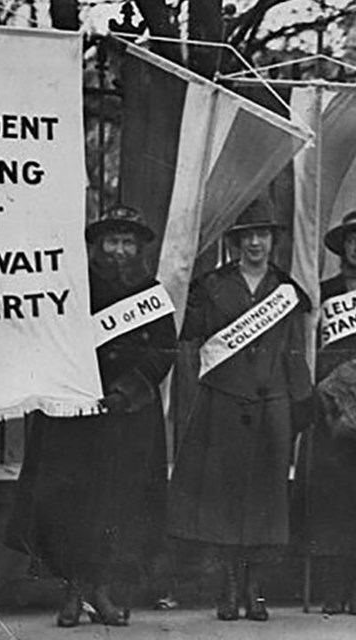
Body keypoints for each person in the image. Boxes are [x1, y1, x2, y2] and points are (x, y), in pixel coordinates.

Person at [5, 205, 177, 627]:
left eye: (127, 243)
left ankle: (99, 589)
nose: (119, 251)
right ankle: (73, 591)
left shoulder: (152, 294)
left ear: (138, 248)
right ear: (97, 247)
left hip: (128, 415)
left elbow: (163, 350)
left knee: (118, 504)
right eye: (111, 242)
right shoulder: (72, 289)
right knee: (71, 504)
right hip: (76, 415)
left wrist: (125, 390)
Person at [167, 195, 312, 622]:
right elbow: (188, 331)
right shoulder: (212, 286)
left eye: (262, 235)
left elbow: (294, 352)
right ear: (234, 242)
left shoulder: (286, 291)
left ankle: (256, 588)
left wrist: (299, 406)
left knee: (267, 500)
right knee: (226, 499)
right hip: (224, 404)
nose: (255, 244)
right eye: (247, 236)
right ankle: (229, 587)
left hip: (272, 406)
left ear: (273, 240)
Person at [294, 211, 356, 614]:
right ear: (343, 247)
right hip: (333, 408)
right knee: (335, 500)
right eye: (353, 239)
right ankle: (334, 589)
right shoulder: (323, 293)